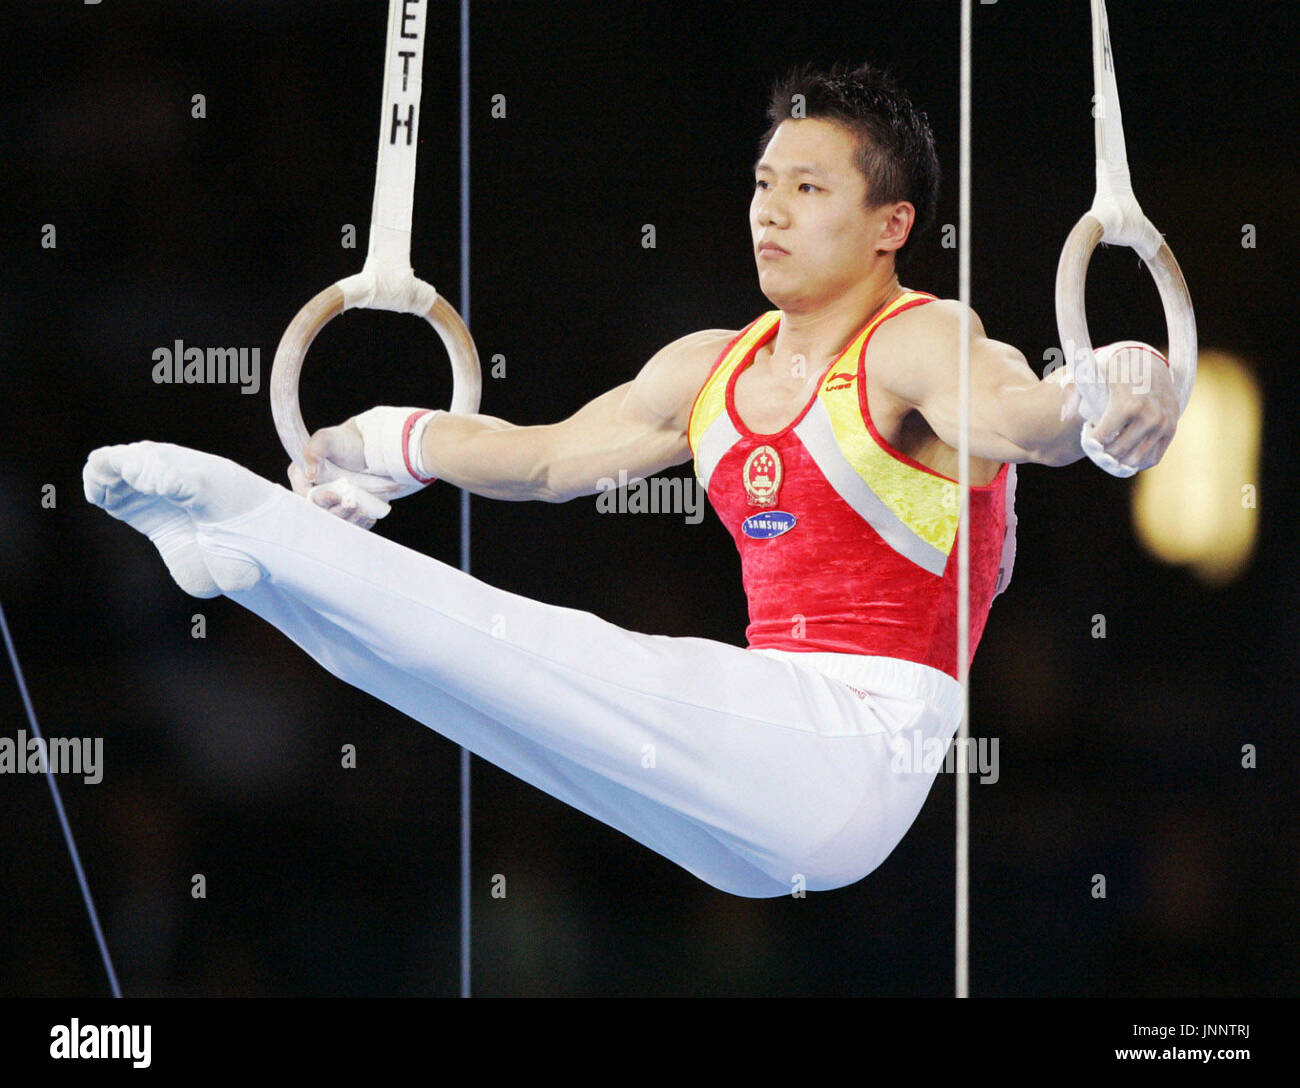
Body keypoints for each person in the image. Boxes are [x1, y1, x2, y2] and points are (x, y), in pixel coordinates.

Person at [84, 62, 1178, 898]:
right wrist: (371, 441)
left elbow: (1026, 421)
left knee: (533, 649)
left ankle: (253, 524)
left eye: (807, 187)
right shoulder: (709, 366)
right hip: (751, 813)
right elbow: (545, 455)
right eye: (762, 184)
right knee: (481, 698)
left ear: (891, 224)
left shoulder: (919, 342)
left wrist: (1108, 385)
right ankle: (257, 569)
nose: (770, 210)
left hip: (858, 748)